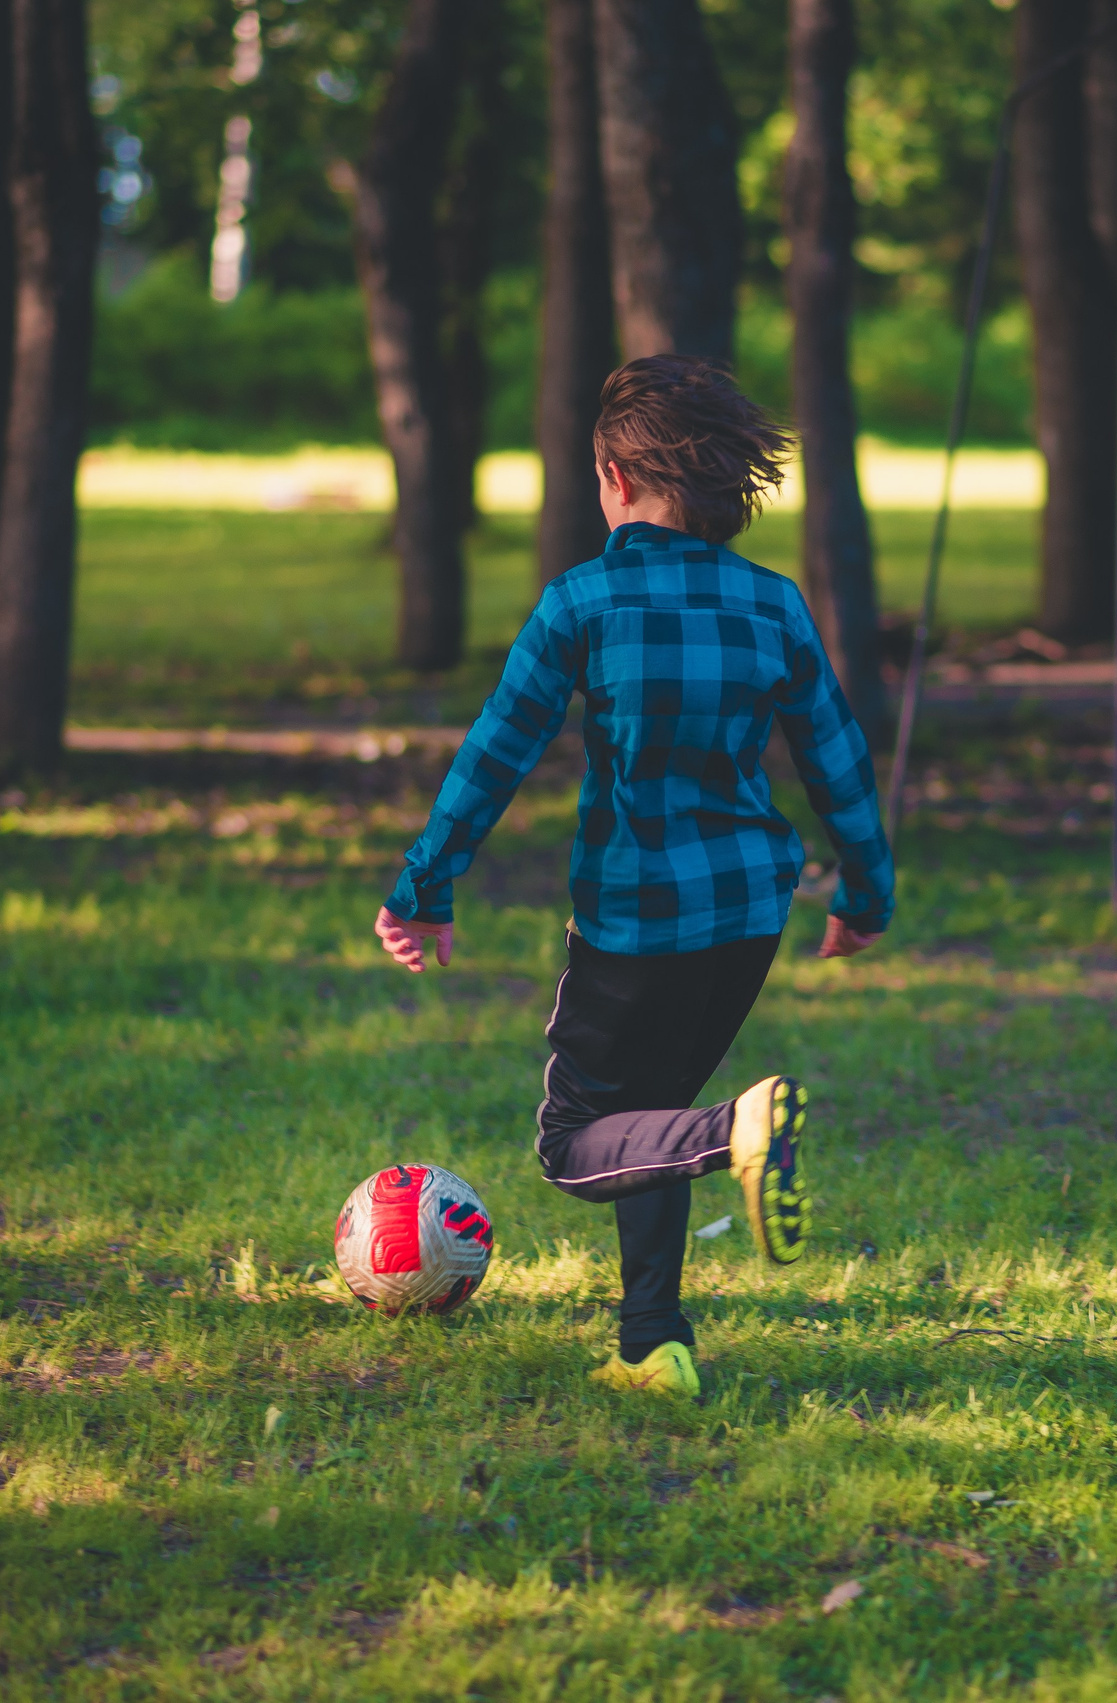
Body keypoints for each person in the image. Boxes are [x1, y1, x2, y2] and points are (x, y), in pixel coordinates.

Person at [371, 355, 894, 1402]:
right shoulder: (773, 603)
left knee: (574, 1143)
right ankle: (651, 1344)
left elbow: (497, 751)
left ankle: (733, 1133)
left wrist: (425, 883)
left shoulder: (584, 597)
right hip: (748, 908)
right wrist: (865, 890)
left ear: (613, 479)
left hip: (634, 915)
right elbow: (835, 752)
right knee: (646, 1110)